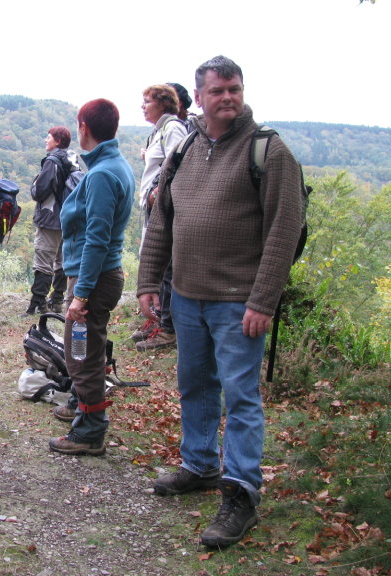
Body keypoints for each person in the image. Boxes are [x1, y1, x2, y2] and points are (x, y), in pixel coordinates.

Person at [136, 55, 303, 547]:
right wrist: (149, 281)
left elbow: (283, 230)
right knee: (195, 384)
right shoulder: (184, 149)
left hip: (239, 304)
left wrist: (263, 300)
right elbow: (164, 220)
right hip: (187, 297)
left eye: (235, 88)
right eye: (218, 91)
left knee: (242, 397)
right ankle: (201, 465)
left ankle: (242, 492)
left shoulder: (269, 152)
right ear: (200, 97)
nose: (228, 97)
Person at [48, 99, 135, 456]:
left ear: (84, 127)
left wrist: (80, 296)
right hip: (99, 274)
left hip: (92, 277)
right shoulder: (116, 165)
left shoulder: (101, 175)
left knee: (80, 353)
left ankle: (90, 430)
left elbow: (97, 238)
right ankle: (80, 406)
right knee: (87, 348)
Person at [132, 84, 188, 352]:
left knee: (167, 268)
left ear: (164, 103)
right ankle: (162, 323)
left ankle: (168, 329)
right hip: (155, 207)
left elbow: (178, 164)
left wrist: (158, 192)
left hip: (165, 208)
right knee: (163, 267)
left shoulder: (173, 127)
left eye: (147, 101)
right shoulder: (159, 130)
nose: (143, 106)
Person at [24, 126, 78, 316]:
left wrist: (33, 185)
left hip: (50, 218)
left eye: (48, 138)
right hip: (69, 218)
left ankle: (37, 304)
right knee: (61, 261)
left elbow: (39, 192)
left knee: (43, 261)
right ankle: (57, 301)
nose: (46, 141)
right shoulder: (72, 159)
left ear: (57, 141)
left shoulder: (52, 161)